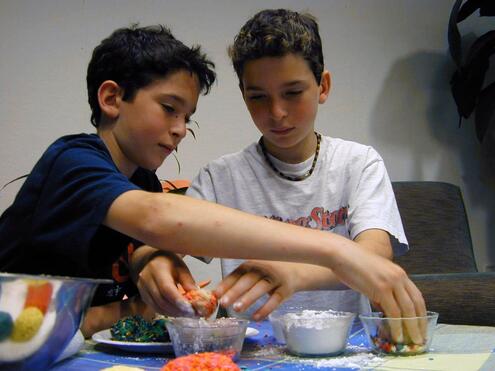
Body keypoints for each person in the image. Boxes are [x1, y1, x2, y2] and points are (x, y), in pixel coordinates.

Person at [0, 23, 424, 344]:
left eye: (187, 117)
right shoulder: (73, 160)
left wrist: (152, 272)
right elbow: (159, 221)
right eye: (169, 109)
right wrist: (335, 249)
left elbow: (152, 242)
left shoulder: (143, 180)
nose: (181, 130)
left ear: (322, 87)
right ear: (111, 98)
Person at [184, 8, 425, 343]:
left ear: (322, 86)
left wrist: (294, 274)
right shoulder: (219, 178)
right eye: (258, 98)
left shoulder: (358, 163)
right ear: (243, 95)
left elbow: (375, 255)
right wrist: (156, 264)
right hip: (252, 350)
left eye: (293, 93)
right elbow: (165, 241)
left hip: (347, 346)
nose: (277, 113)